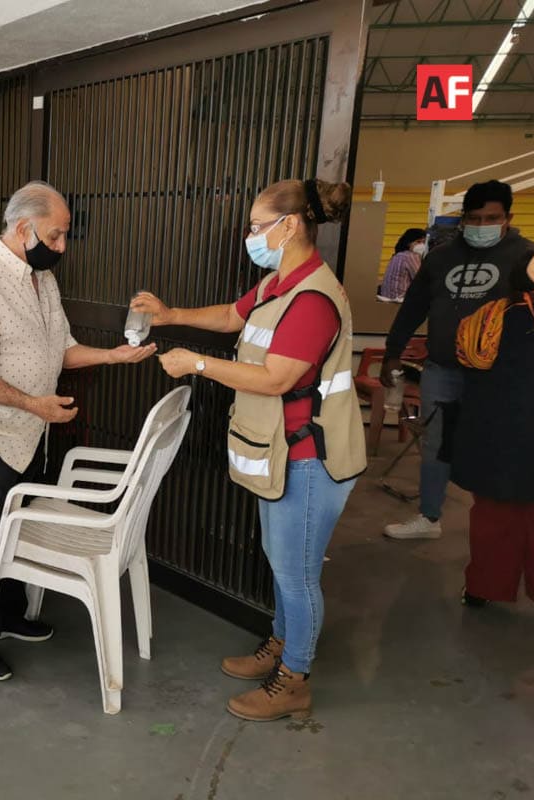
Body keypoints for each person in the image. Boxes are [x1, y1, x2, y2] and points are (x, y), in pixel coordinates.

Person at [134, 178, 366, 721]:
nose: (251, 236)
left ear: (291, 225)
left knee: (297, 575)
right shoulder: (279, 283)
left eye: (259, 226)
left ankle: (295, 678)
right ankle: (282, 644)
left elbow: (277, 378)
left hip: (311, 457)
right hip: (281, 451)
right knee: (283, 562)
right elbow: (231, 317)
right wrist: (171, 315)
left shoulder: (313, 300)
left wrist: (197, 363)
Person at [0, 180, 156, 681]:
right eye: (56, 235)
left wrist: (112, 356)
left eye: (64, 236)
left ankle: (7, 613)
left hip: (31, 431)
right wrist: (33, 404)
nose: (62, 247)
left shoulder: (42, 279)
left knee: (14, 526)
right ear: (24, 229)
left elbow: (62, 349)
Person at [381, 180, 534, 540]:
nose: (482, 226)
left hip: (499, 376)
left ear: (508, 218)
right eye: (474, 219)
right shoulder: (440, 257)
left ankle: (496, 529)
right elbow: (413, 308)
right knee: (436, 443)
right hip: (443, 368)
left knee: (496, 445)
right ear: (463, 219)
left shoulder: (527, 258)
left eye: (491, 218)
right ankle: (429, 516)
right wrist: (392, 353)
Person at [453, 253, 534, 607]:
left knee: (493, 519)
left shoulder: (488, 318)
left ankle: (483, 588)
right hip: (515, 437)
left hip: (494, 439)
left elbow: (468, 369)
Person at [377, 227, 426, 302]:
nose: (422, 245)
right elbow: (420, 279)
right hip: (399, 300)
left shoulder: (398, 255)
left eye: (424, 242)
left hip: (387, 297)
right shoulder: (411, 256)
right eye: (418, 242)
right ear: (409, 243)